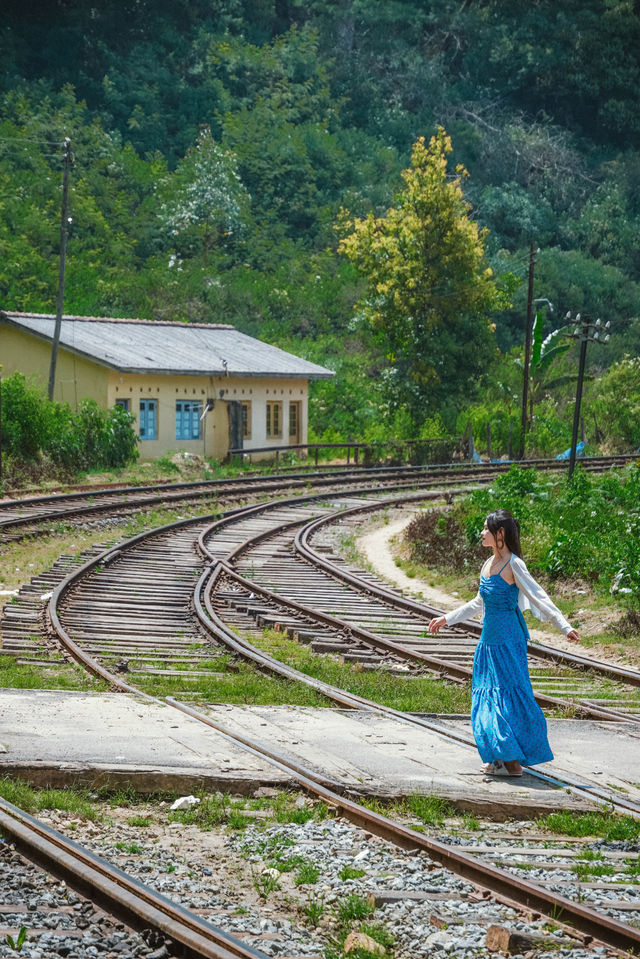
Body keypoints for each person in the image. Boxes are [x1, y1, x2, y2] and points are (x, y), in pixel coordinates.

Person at [428, 509, 580, 777]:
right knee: (486, 696)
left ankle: (511, 759)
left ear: (500, 534)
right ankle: (498, 755)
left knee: (507, 697)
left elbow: (538, 596)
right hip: (488, 643)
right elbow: (479, 603)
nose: (482, 533)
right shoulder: (487, 565)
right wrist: (447, 618)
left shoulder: (514, 565)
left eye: (486, 529)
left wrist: (564, 626)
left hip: (510, 642)